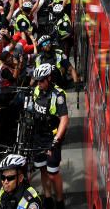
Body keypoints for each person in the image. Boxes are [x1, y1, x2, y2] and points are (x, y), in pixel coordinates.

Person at [29, 63, 69, 209]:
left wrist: (56, 140)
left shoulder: (58, 95)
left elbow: (64, 119)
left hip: (51, 138)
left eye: (41, 81)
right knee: (42, 169)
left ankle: (59, 200)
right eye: (37, 81)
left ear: (49, 78)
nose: (38, 84)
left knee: (53, 173)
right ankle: (47, 198)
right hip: (37, 136)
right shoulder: (36, 91)